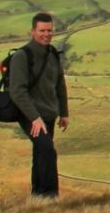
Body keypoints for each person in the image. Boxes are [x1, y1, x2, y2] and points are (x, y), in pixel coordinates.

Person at [8, 11, 70, 198]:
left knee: (41, 153)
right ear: (33, 31)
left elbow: (60, 83)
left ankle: (37, 197)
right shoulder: (22, 56)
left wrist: (64, 113)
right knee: (47, 151)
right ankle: (50, 196)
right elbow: (17, 91)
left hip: (48, 113)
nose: (47, 34)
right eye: (42, 30)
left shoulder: (52, 53)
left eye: (50, 30)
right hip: (30, 114)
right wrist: (34, 118)